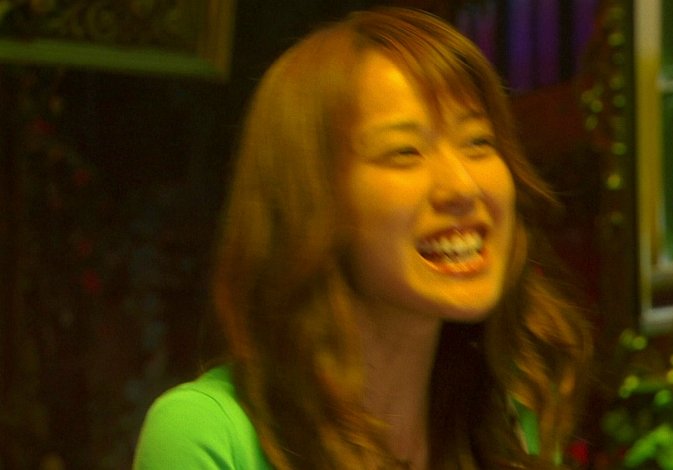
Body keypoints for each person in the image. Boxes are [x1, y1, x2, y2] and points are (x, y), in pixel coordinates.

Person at [133, 7, 592, 470]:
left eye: (478, 142)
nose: (463, 187)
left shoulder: (506, 426)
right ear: (313, 201)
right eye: (405, 151)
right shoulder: (211, 431)